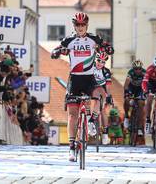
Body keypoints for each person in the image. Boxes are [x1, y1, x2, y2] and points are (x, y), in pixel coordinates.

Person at [51, 12, 114, 162]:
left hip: (89, 79)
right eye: (77, 25)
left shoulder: (93, 39)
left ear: (87, 25)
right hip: (75, 80)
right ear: (74, 26)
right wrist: (57, 52)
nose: (80, 27)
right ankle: (72, 147)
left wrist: (108, 49)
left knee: (99, 94)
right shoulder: (69, 40)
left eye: (82, 25)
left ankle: (92, 120)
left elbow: (106, 47)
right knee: (73, 114)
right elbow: (55, 50)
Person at [93, 51, 113, 144]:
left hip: (102, 88)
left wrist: (108, 96)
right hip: (91, 86)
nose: (100, 63)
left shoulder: (106, 71)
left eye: (103, 62)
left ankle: (105, 132)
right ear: (95, 60)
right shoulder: (90, 67)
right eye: (99, 60)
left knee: (103, 110)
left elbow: (108, 86)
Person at [123, 59, 146, 136]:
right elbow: (126, 84)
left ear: (141, 68)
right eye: (136, 69)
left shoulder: (144, 72)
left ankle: (139, 127)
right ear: (133, 69)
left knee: (141, 104)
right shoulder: (131, 72)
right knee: (126, 100)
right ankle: (126, 116)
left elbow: (147, 83)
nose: (138, 70)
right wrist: (126, 92)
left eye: (139, 69)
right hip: (131, 88)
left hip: (140, 89)